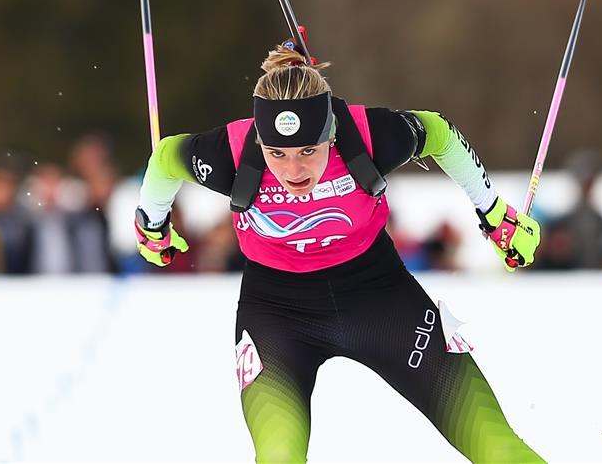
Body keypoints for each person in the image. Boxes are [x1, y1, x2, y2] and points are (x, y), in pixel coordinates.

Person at [134, 40, 544, 463]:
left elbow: (437, 131)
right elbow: (164, 158)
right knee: (279, 457)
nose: (294, 171)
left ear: (329, 131)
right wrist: (151, 225)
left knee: (496, 447)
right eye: (277, 153)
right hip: (277, 315)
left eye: (308, 150)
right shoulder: (231, 153)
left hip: (380, 300)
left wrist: (493, 212)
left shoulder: (368, 135)